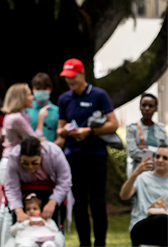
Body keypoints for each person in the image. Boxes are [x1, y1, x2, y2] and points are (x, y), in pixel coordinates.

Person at [57, 58, 118, 247]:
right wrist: (66, 132)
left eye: (73, 77)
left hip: (96, 156)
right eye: (67, 78)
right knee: (79, 204)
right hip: (74, 156)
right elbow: (60, 127)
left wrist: (89, 131)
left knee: (98, 203)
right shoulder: (64, 98)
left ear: (82, 74)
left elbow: (113, 123)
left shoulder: (99, 95)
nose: (70, 81)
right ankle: (85, 243)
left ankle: (100, 243)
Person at [0, 84, 49, 247]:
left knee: (4, 208)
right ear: (21, 97)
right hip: (10, 165)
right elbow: (34, 140)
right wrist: (41, 120)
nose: (33, 97)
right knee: (10, 208)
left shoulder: (20, 116)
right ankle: (7, 243)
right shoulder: (16, 118)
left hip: (10, 164)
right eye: (29, 94)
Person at [4, 137, 73, 227]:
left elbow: (65, 181)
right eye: (25, 163)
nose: (30, 167)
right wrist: (19, 211)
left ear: (41, 154)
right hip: (24, 193)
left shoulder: (55, 152)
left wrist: (52, 203)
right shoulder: (14, 156)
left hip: (52, 192)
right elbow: (11, 186)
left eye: (34, 163)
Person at [120, 144, 168, 247]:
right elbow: (124, 196)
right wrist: (136, 173)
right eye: (157, 156)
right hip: (142, 224)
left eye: (165, 158)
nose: (160, 160)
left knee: (163, 220)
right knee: (162, 219)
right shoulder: (142, 177)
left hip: (165, 228)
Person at [126, 93, 168, 177]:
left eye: (151, 106)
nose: (147, 108)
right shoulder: (132, 128)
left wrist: (148, 148)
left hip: (159, 173)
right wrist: (159, 151)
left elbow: (166, 152)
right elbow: (133, 152)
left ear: (156, 108)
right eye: (144, 105)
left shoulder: (161, 128)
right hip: (139, 173)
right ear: (140, 107)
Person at [26, 73, 60, 144]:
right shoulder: (26, 110)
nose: (41, 91)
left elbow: (60, 138)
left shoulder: (57, 111)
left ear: (50, 89)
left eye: (44, 89)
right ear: (32, 89)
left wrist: (48, 151)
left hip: (51, 152)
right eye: (38, 89)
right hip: (30, 152)